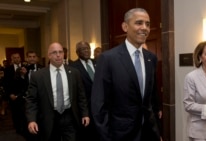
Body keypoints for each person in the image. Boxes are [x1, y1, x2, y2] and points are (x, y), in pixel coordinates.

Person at [91, 8, 161, 141]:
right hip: (120, 135)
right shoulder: (108, 59)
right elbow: (99, 105)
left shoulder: (151, 58)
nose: (144, 28)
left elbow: (151, 100)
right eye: (139, 23)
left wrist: (157, 131)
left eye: (148, 24)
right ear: (125, 26)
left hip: (148, 133)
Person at [26, 42, 90, 141]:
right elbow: (31, 100)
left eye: (60, 52)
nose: (58, 55)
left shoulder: (74, 73)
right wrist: (32, 120)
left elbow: (81, 96)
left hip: (69, 117)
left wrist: (85, 114)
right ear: (49, 55)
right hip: (49, 117)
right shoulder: (38, 76)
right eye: (54, 52)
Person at [70, 41, 99, 141]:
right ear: (77, 52)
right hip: (84, 108)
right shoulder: (73, 67)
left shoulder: (98, 63)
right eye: (83, 49)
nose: (86, 51)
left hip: (100, 107)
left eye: (88, 48)